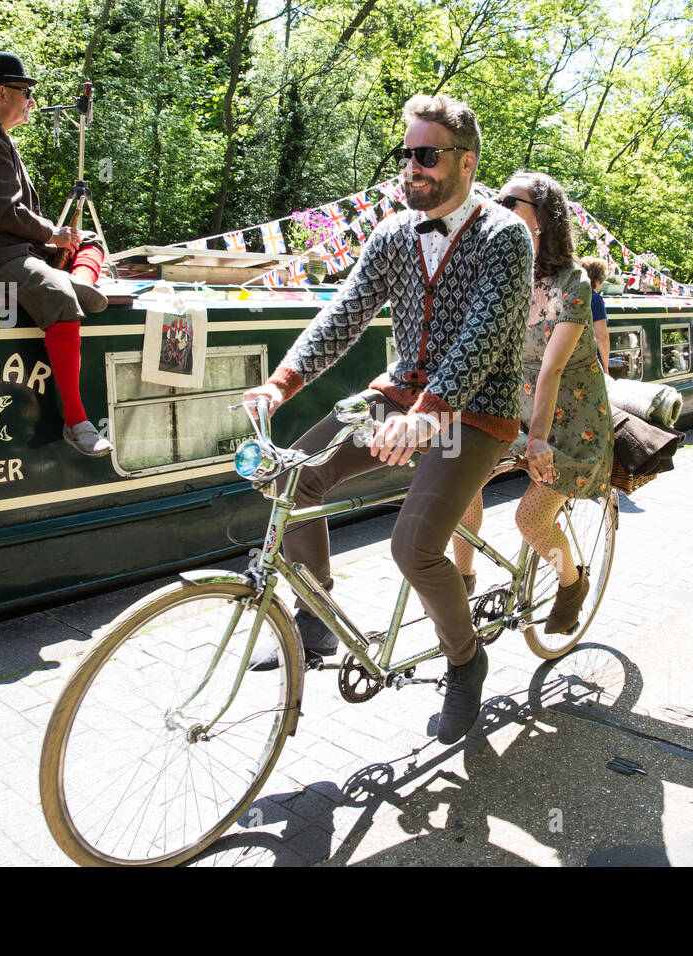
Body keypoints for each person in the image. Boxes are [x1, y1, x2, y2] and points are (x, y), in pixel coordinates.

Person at [239, 93, 533, 746]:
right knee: (295, 479)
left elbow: (481, 342)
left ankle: (465, 661)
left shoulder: (505, 237)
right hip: (399, 397)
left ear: (466, 162)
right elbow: (342, 315)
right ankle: (313, 619)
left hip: (476, 413)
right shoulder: (395, 236)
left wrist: (430, 415)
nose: (413, 168)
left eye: (427, 155)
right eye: (407, 155)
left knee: (413, 546)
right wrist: (280, 382)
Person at [451, 172, 614, 634]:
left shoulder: (574, 283)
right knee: (460, 485)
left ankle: (571, 581)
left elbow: (551, 369)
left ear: (541, 217)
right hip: (515, 410)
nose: (497, 207)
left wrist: (538, 440)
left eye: (509, 201)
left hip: (570, 424)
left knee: (530, 520)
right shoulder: (504, 276)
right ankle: (462, 583)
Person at [0, 51, 113, 457]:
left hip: (4, 247)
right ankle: (76, 421)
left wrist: (58, 239)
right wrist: (53, 234)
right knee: (56, 293)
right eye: (26, 92)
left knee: (89, 243)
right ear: (0, 92)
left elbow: (6, 211)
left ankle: (78, 282)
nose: (31, 101)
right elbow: (2, 210)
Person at [579, 256, 610, 371]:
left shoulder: (569, 295)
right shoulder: (595, 299)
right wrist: (606, 367)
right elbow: (601, 336)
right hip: (589, 362)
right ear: (597, 280)